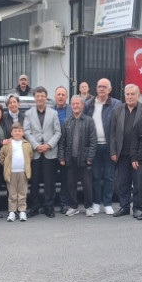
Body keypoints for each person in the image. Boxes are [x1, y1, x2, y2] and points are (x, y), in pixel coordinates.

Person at [84, 78, 121, 214]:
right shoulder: (88, 104)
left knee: (109, 176)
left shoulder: (116, 104)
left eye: (104, 87)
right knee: (95, 176)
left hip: (109, 146)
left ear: (109, 89)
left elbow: (118, 128)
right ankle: (96, 203)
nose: (101, 89)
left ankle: (107, 204)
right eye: (99, 86)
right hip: (94, 146)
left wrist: (115, 149)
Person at [23, 86, 62, 218]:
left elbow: (58, 132)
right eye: (37, 96)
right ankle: (34, 206)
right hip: (35, 152)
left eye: (42, 96)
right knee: (34, 182)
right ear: (34, 98)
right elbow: (26, 131)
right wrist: (36, 146)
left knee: (49, 181)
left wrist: (49, 145)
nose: (40, 98)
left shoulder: (53, 113)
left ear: (46, 98)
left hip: (49, 152)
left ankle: (48, 206)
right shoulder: (28, 113)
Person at [58, 96, 97, 217]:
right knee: (71, 184)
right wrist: (61, 157)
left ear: (82, 105)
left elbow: (93, 141)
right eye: (73, 104)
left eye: (77, 103)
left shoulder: (89, 121)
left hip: (85, 159)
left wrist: (90, 158)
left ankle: (88, 206)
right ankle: (73, 207)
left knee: (87, 185)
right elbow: (62, 142)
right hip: (70, 159)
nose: (75, 106)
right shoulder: (67, 121)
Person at [110, 84, 142, 218]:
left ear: (138, 95)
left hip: (137, 154)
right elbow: (112, 133)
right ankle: (124, 207)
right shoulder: (117, 110)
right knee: (122, 182)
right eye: (127, 94)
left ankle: (137, 208)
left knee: (138, 183)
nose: (130, 97)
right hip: (122, 154)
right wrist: (113, 151)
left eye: (132, 94)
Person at [0, 123, 33, 221]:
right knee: (12, 193)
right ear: (11, 133)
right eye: (15, 131)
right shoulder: (8, 144)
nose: (17, 133)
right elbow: (1, 156)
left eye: (19, 131)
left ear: (23, 133)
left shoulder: (27, 144)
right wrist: (6, 165)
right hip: (11, 173)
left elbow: (30, 156)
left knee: (22, 193)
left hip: (23, 172)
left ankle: (22, 211)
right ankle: (12, 211)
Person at [54, 86, 73, 214]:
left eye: (63, 94)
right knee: (50, 178)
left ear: (66, 97)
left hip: (67, 150)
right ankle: (49, 204)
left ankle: (64, 203)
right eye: (58, 94)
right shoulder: (50, 110)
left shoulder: (72, 110)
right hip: (52, 149)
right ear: (55, 97)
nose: (60, 97)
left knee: (66, 179)